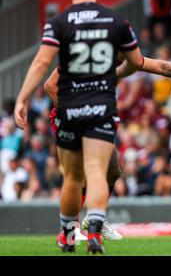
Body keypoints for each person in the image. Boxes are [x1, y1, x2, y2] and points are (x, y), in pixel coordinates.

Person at [13, 0, 171, 254]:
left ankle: (81, 227)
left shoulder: (68, 29)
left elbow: (155, 65)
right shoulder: (112, 26)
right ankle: (84, 226)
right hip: (88, 108)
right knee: (93, 172)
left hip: (78, 108)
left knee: (109, 169)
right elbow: (53, 85)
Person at [44, 68, 123, 244]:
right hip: (73, 119)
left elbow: (143, 63)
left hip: (96, 117)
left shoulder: (115, 53)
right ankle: (72, 228)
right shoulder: (81, 52)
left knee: (113, 170)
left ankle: (95, 219)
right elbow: (50, 86)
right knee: (80, 172)